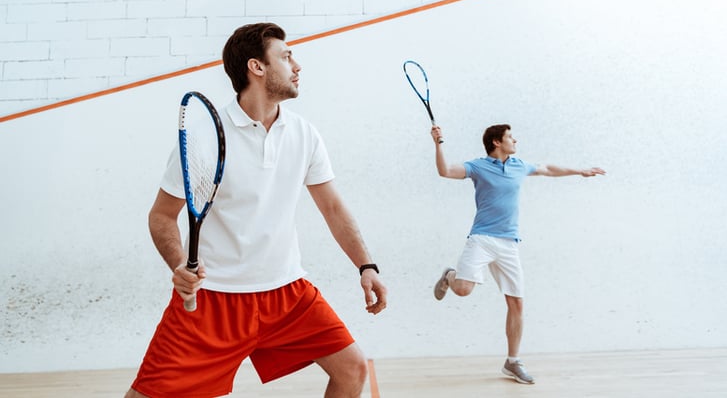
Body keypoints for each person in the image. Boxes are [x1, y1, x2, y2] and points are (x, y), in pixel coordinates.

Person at [126, 23, 387, 398]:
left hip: (288, 293)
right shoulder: (204, 138)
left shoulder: (304, 133)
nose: (297, 65)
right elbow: (162, 215)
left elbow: (332, 207)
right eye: (286, 56)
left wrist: (366, 265)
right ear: (257, 67)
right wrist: (179, 264)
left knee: (352, 369)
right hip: (213, 299)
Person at [430, 123, 604, 385]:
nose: (515, 140)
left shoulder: (518, 165)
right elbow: (445, 171)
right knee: (464, 289)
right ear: (497, 142)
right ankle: (450, 276)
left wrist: (579, 170)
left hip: (509, 243)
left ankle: (512, 362)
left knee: (517, 303)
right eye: (510, 137)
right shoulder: (478, 167)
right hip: (482, 239)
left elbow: (547, 169)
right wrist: (438, 143)